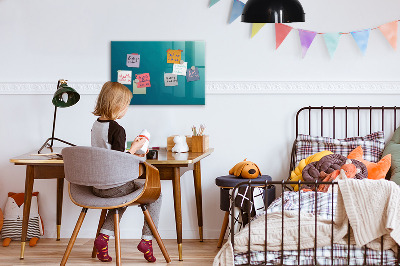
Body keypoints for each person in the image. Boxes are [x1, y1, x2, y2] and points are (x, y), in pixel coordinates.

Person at [91, 81, 161, 263]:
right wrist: (135, 149)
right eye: (126, 105)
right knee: (156, 194)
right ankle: (147, 240)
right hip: (114, 186)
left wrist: (130, 150)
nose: (127, 109)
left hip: (97, 186)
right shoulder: (117, 129)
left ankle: (103, 238)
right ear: (117, 105)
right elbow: (118, 161)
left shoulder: (96, 125)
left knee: (122, 198)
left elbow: (108, 154)